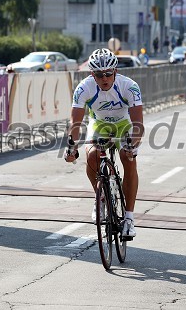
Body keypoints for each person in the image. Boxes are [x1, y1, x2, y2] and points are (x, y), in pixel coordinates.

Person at [65, 48, 144, 239]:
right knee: (91, 155)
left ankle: (129, 218)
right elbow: (75, 123)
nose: (104, 78)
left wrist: (132, 146)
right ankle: (100, 196)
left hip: (123, 124)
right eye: (99, 75)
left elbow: (138, 125)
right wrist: (72, 148)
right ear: (92, 74)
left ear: (115, 71)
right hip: (99, 124)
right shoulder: (84, 88)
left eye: (108, 73)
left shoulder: (129, 86)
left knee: (128, 158)